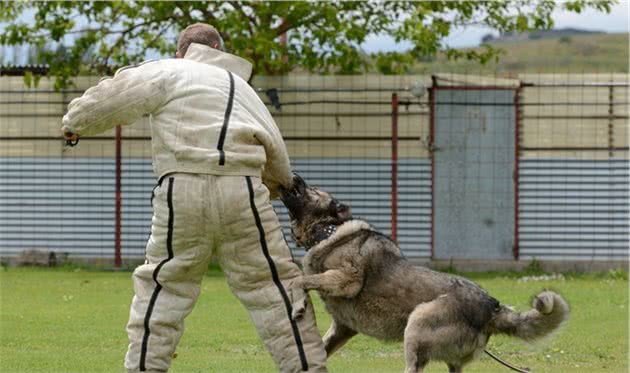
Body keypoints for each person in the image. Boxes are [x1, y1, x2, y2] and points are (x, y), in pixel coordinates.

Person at [62, 23, 328, 373]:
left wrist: (74, 123)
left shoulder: (168, 70)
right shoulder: (242, 88)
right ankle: (309, 368)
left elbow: (116, 94)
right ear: (219, 48)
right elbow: (276, 152)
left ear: (181, 50)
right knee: (275, 287)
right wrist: (278, 188)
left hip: (180, 188)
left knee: (163, 287)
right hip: (243, 191)